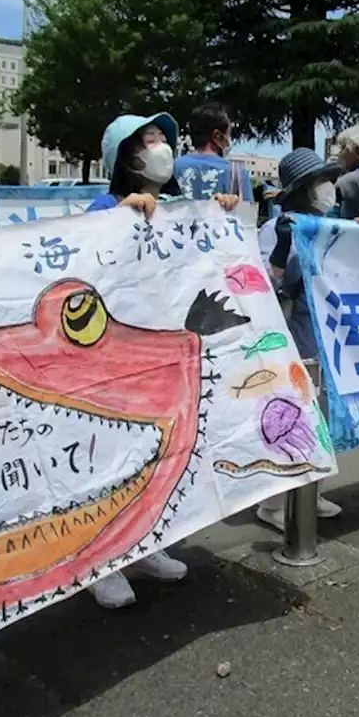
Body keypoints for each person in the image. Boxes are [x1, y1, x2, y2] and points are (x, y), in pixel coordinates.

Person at [83, 112, 234, 610]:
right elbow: (85, 269)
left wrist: (220, 213)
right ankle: (103, 562)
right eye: (149, 140)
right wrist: (117, 219)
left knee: (154, 456)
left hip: (163, 351)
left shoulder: (174, 209)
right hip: (115, 359)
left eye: (162, 139)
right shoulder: (103, 207)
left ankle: (145, 546)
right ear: (126, 155)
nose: (161, 148)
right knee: (110, 462)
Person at [257, 148, 345, 529]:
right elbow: (263, 284)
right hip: (295, 336)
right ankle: (274, 505)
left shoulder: (332, 225)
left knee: (321, 417)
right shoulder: (275, 228)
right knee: (292, 419)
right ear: (304, 189)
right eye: (321, 182)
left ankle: (313, 491)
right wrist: (280, 250)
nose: (329, 189)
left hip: (328, 335)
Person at [173, 103, 253, 202]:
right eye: (228, 134)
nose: (229, 140)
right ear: (217, 136)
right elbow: (247, 215)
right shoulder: (237, 173)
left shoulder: (173, 166)